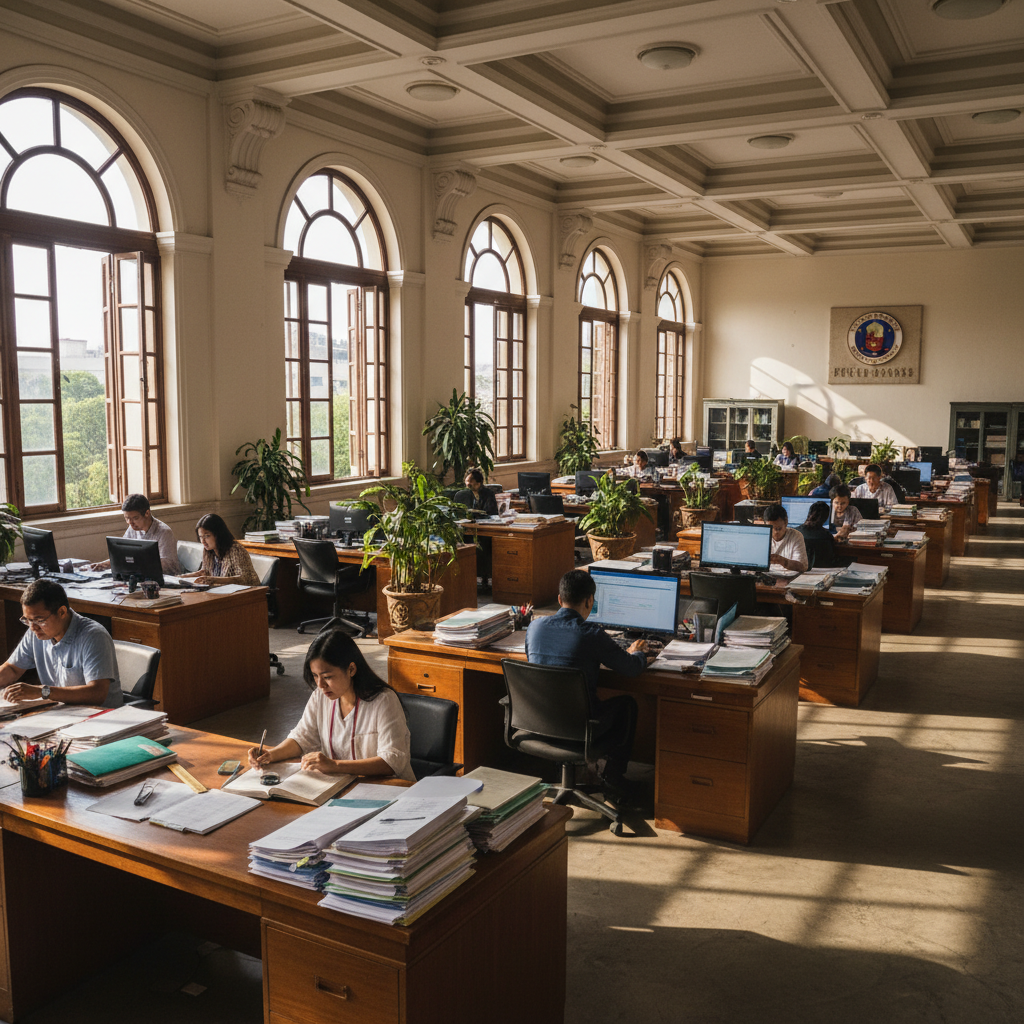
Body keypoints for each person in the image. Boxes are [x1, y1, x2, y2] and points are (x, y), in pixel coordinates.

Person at [525, 570, 649, 803]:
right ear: (590, 601)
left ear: (559, 599)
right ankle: (613, 779)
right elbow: (631, 669)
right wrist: (638, 653)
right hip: (580, 728)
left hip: (538, 723)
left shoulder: (535, 628)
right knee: (627, 705)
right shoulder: (591, 634)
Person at [248, 629, 413, 780]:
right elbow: (302, 738)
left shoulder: (384, 700)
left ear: (351, 669)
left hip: (388, 788)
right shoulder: (320, 696)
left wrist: (334, 765)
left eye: (327, 677)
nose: (320, 685)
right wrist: (271, 754)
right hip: (342, 786)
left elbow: (391, 762)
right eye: (315, 676)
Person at [0, 579, 122, 708]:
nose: (33, 627)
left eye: (39, 620)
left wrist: (43, 692)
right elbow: (12, 669)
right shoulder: (36, 632)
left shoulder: (93, 636)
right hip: (62, 711)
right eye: (28, 620)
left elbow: (97, 693)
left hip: (100, 714)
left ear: (62, 612)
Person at [90, 493, 181, 573]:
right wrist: (105, 564)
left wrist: (136, 564)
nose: (130, 523)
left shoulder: (164, 532)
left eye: (135, 518)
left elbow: (168, 566)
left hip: (164, 580)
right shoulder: (132, 529)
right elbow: (122, 554)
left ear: (147, 513)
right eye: (127, 518)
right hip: (140, 576)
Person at [181, 513, 259, 586]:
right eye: (200, 537)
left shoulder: (235, 550)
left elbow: (244, 579)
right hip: (221, 592)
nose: (203, 541)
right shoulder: (208, 550)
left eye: (207, 536)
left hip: (247, 593)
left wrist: (215, 580)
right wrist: (181, 577)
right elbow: (205, 572)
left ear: (218, 534)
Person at [762, 503, 809, 573]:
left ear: (786, 522)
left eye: (778, 528)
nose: (775, 532)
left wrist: (782, 561)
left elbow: (802, 567)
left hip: (787, 575)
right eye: (771, 529)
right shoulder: (762, 535)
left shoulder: (796, 536)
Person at [797, 501, 836, 569]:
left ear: (809, 513)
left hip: (799, 570)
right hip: (823, 570)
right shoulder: (827, 536)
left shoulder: (795, 532)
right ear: (826, 518)